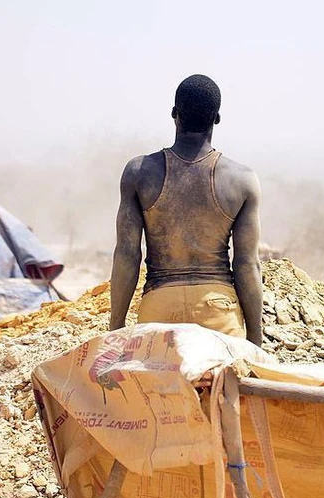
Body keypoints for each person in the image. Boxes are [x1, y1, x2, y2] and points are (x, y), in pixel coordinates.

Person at [109, 74, 262, 346]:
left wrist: (116, 328)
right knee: (221, 387)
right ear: (216, 118)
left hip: (159, 309)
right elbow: (247, 263)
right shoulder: (242, 180)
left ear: (174, 114)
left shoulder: (139, 172)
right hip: (217, 310)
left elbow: (127, 254)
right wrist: (255, 338)